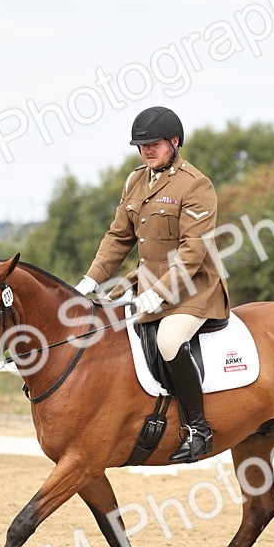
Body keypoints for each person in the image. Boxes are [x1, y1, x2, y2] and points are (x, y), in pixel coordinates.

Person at [74, 106, 230, 462]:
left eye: (154, 144)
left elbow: (192, 254)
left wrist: (158, 294)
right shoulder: (135, 181)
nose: (147, 151)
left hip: (195, 288)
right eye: (141, 145)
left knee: (170, 341)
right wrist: (89, 281)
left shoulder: (195, 185)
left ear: (174, 142)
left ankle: (198, 429)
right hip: (148, 284)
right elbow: (118, 237)